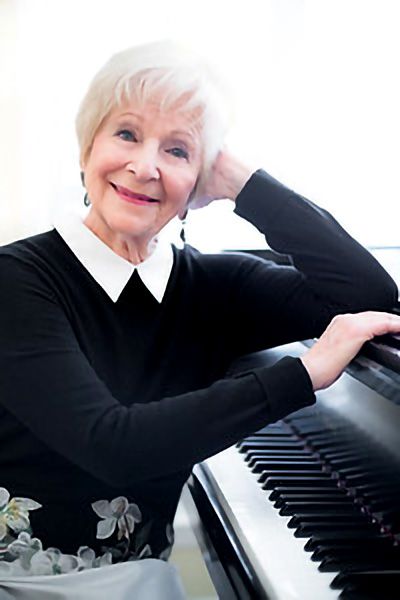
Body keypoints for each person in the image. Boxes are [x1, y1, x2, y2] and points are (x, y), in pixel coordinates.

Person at [0, 40, 399, 596]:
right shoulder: (17, 280)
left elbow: (369, 290)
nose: (145, 167)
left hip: (135, 580)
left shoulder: (211, 285)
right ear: (86, 147)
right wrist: (303, 375)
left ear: (201, 182)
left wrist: (246, 184)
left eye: (179, 152)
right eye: (126, 134)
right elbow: (113, 445)